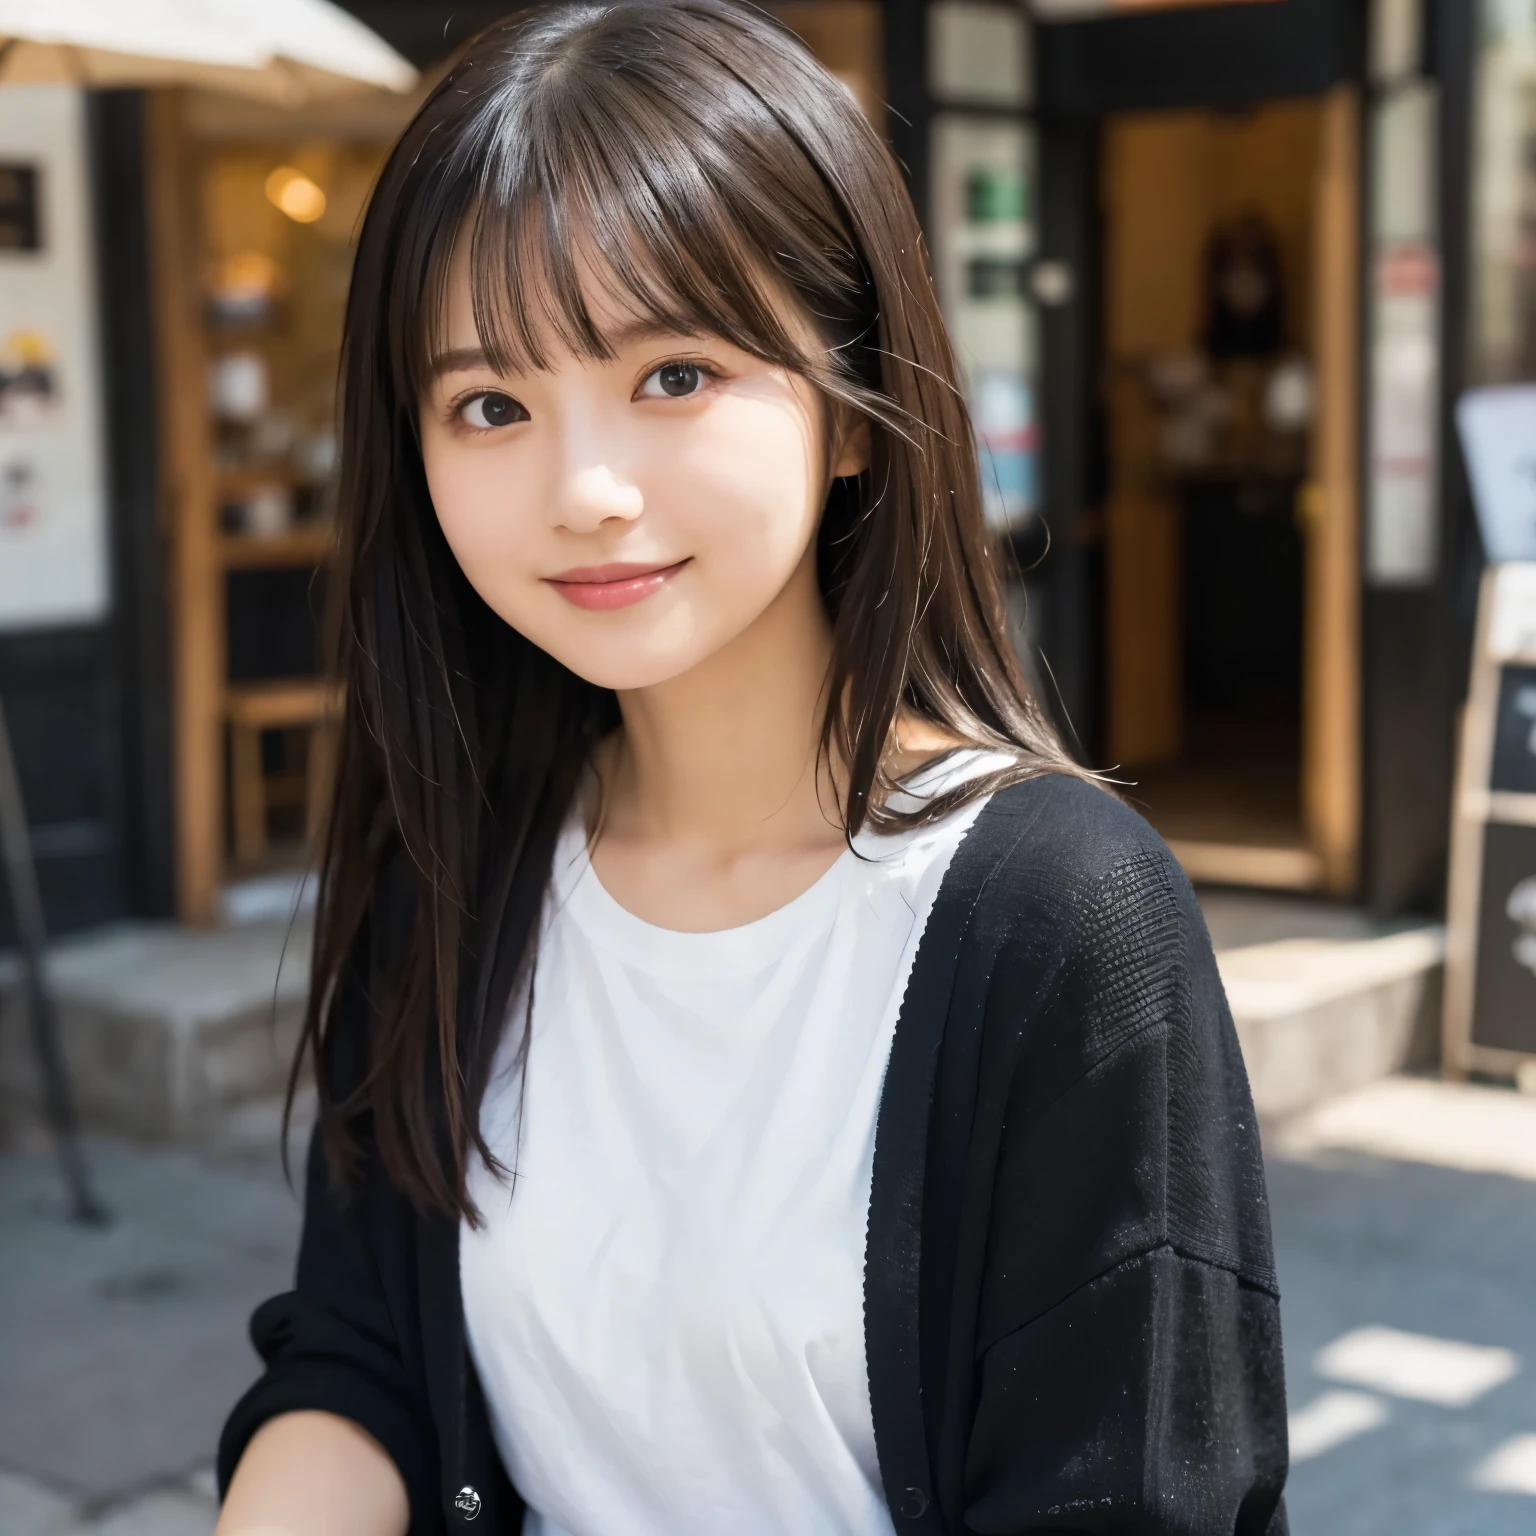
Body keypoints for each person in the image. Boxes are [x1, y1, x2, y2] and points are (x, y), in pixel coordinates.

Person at [215, 4, 1289, 1533]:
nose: (584, 490)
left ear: (852, 411)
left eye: (673, 375)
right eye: (491, 405)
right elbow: (361, 1359)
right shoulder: (459, 869)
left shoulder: (1059, 928)